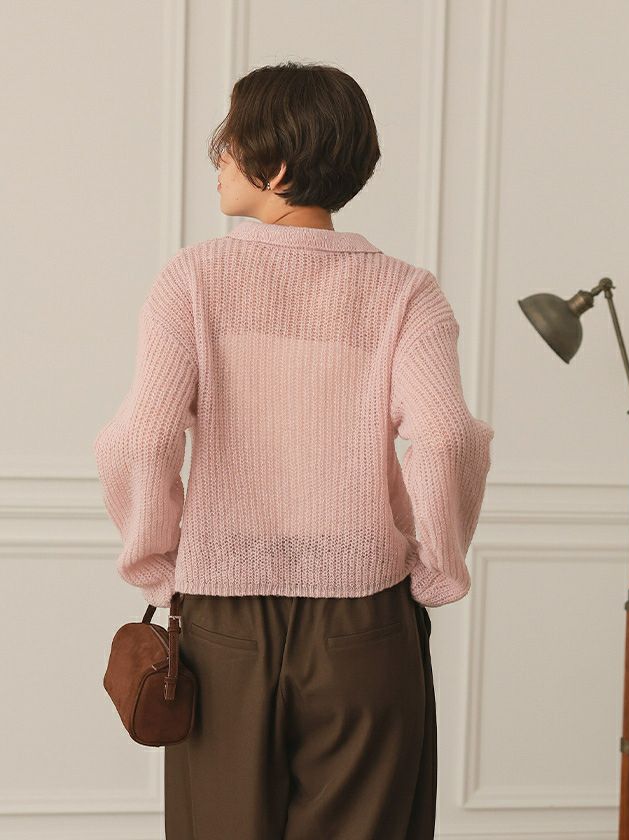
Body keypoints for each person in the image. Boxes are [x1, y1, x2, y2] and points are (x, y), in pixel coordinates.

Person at [93, 60, 494, 840]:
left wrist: (162, 569)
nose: (218, 157)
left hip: (223, 630)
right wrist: (435, 571)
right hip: (366, 623)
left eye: (232, 140)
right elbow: (447, 438)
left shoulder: (193, 280)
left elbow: (139, 440)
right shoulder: (406, 293)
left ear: (277, 169)